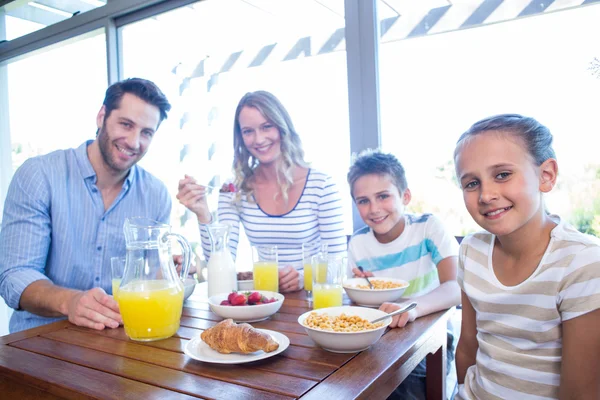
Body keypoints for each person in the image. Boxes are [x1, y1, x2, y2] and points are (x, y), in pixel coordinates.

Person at [0, 78, 173, 333]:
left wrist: (169, 272)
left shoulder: (157, 195)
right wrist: (70, 302)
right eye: (126, 124)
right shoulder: (39, 175)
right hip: (40, 344)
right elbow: (15, 275)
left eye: (146, 132)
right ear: (102, 116)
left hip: (120, 342)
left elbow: (149, 281)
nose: (134, 142)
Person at [453, 114, 600, 399]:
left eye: (502, 175)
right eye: (471, 183)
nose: (486, 194)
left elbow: (581, 392)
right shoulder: (471, 250)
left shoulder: (582, 262)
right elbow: (468, 345)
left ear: (546, 176)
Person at [177, 90, 347, 292]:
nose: (259, 139)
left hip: (313, 300)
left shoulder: (321, 185)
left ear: (282, 127)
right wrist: (203, 213)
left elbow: (337, 262)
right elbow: (222, 260)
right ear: (241, 137)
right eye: (248, 131)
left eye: (267, 127)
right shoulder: (233, 190)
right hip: (265, 300)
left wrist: (302, 278)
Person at [347, 149, 461, 400]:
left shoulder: (428, 228)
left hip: (430, 337)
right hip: (379, 337)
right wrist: (368, 287)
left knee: (405, 392)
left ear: (405, 196)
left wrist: (410, 307)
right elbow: (361, 304)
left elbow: (455, 288)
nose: (374, 209)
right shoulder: (358, 243)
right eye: (363, 200)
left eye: (383, 196)